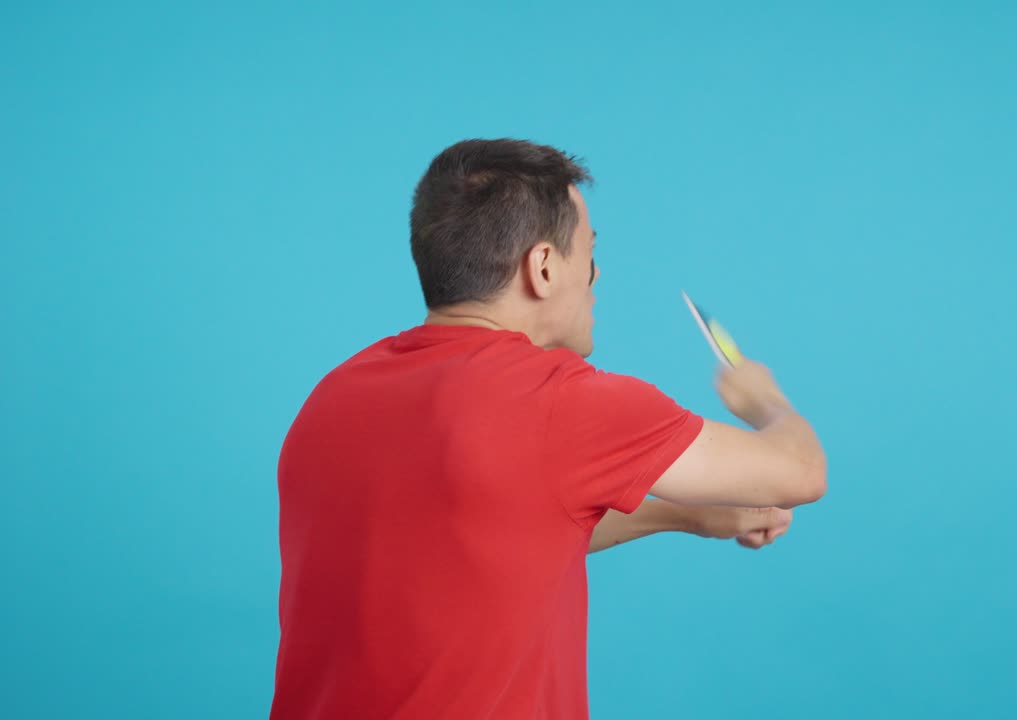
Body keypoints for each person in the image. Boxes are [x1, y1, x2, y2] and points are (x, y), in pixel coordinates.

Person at [269, 138, 827, 719]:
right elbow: (802, 474)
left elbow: (494, 527)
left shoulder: (335, 395)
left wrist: (686, 516)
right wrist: (765, 401)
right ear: (542, 267)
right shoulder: (563, 401)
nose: (596, 272)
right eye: (588, 251)